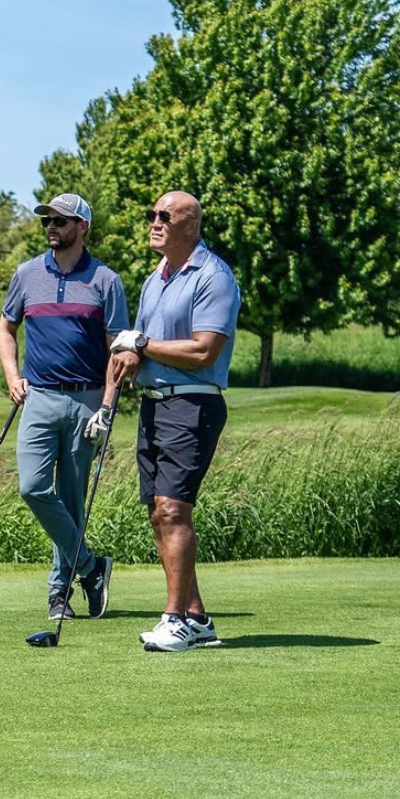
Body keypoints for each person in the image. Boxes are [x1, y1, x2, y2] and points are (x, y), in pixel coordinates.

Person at [109, 191, 240, 653]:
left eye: (166, 216)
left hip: (194, 404)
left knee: (172, 508)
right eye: (152, 215)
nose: (155, 222)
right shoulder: (155, 279)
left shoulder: (213, 276)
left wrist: (141, 344)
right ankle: (197, 617)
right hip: (154, 404)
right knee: (158, 513)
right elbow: (137, 346)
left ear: (191, 226)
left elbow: (205, 350)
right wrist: (120, 375)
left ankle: (175, 621)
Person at [0, 192, 130, 632]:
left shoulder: (105, 281)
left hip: (86, 399)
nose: (51, 227)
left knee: (72, 500)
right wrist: (12, 376)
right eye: (47, 221)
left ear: (81, 228)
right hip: (38, 397)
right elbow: (6, 327)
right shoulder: (27, 274)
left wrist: (108, 407)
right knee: (33, 488)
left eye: (60, 220)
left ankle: (60, 591)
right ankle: (91, 566)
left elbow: (118, 351)